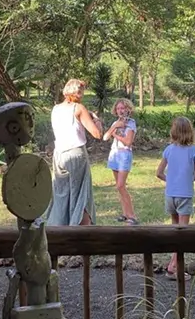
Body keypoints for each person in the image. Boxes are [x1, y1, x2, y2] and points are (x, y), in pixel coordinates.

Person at [45, 79, 103, 227]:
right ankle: (82, 228)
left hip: (59, 154)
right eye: (82, 91)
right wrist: (96, 120)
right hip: (75, 154)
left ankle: (57, 226)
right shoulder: (78, 108)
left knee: (61, 192)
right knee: (81, 194)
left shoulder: (56, 109)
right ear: (78, 92)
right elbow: (97, 134)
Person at [155, 116, 195, 275]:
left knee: (175, 230)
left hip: (170, 195)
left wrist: (171, 180)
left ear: (173, 132)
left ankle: (173, 263)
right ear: (190, 132)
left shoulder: (168, 150)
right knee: (182, 233)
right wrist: (187, 178)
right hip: (185, 195)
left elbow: (159, 173)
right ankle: (174, 267)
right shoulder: (194, 151)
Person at [101, 98, 138, 224]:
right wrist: (115, 127)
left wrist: (115, 135)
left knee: (120, 185)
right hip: (114, 154)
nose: (120, 111)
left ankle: (132, 215)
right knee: (119, 187)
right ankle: (125, 214)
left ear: (128, 109)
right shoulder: (115, 123)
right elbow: (105, 137)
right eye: (118, 108)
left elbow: (128, 142)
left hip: (124, 154)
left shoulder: (131, 123)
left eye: (123, 108)